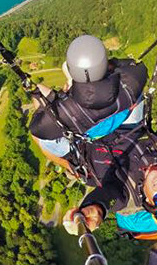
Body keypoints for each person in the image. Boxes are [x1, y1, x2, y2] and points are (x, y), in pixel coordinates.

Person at [29, 34, 148, 177]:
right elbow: (134, 65)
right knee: (139, 97)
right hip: (123, 117)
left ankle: (69, 166)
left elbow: (37, 130)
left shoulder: (67, 111)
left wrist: (60, 97)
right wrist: (112, 65)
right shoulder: (133, 81)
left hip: (86, 131)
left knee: (44, 140)